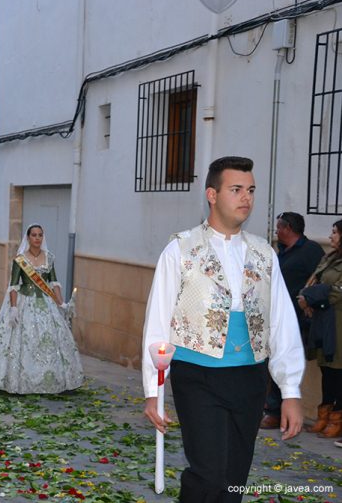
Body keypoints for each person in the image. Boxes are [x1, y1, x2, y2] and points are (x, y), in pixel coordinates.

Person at [142, 157, 304, 503]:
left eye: (251, 190)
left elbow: (282, 322)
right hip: (197, 375)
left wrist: (290, 390)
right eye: (236, 190)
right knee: (208, 474)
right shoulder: (180, 249)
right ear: (212, 194)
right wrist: (152, 391)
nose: (246, 197)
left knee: (233, 479)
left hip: (250, 378)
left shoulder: (265, 253)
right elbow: (158, 321)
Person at [0, 224, 84, 394]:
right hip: (25, 303)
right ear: (28, 238)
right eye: (34, 235)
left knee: (50, 340)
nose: (37, 238)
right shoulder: (20, 260)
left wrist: (61, 303)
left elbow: (54, 283)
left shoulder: (49, 258)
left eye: (40, 235)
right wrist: (13, 309)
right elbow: (13, 286)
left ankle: (51, 380)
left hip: (46, 304)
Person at [260, 212, 324, 430]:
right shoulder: (281, 252)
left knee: (286, 359)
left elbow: (319, 279)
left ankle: (276, 411)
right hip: (275, 315)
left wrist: (306, 300)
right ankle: (271, 409)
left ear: (288, 229)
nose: (276, 231)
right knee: (271, 361)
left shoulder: (311, 251)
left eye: (279, 227)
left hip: (298, 318)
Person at [298, 219, 342, 439]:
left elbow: (334, 292)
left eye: (334, 232)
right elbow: (315, 282)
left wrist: (313, 299)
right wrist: (306, 295)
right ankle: (323, 415)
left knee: (338, 370)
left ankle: (336, 418)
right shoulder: (330, 257)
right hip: (323, 320)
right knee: (326, 367)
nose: (331, 236)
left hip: (337, 322)